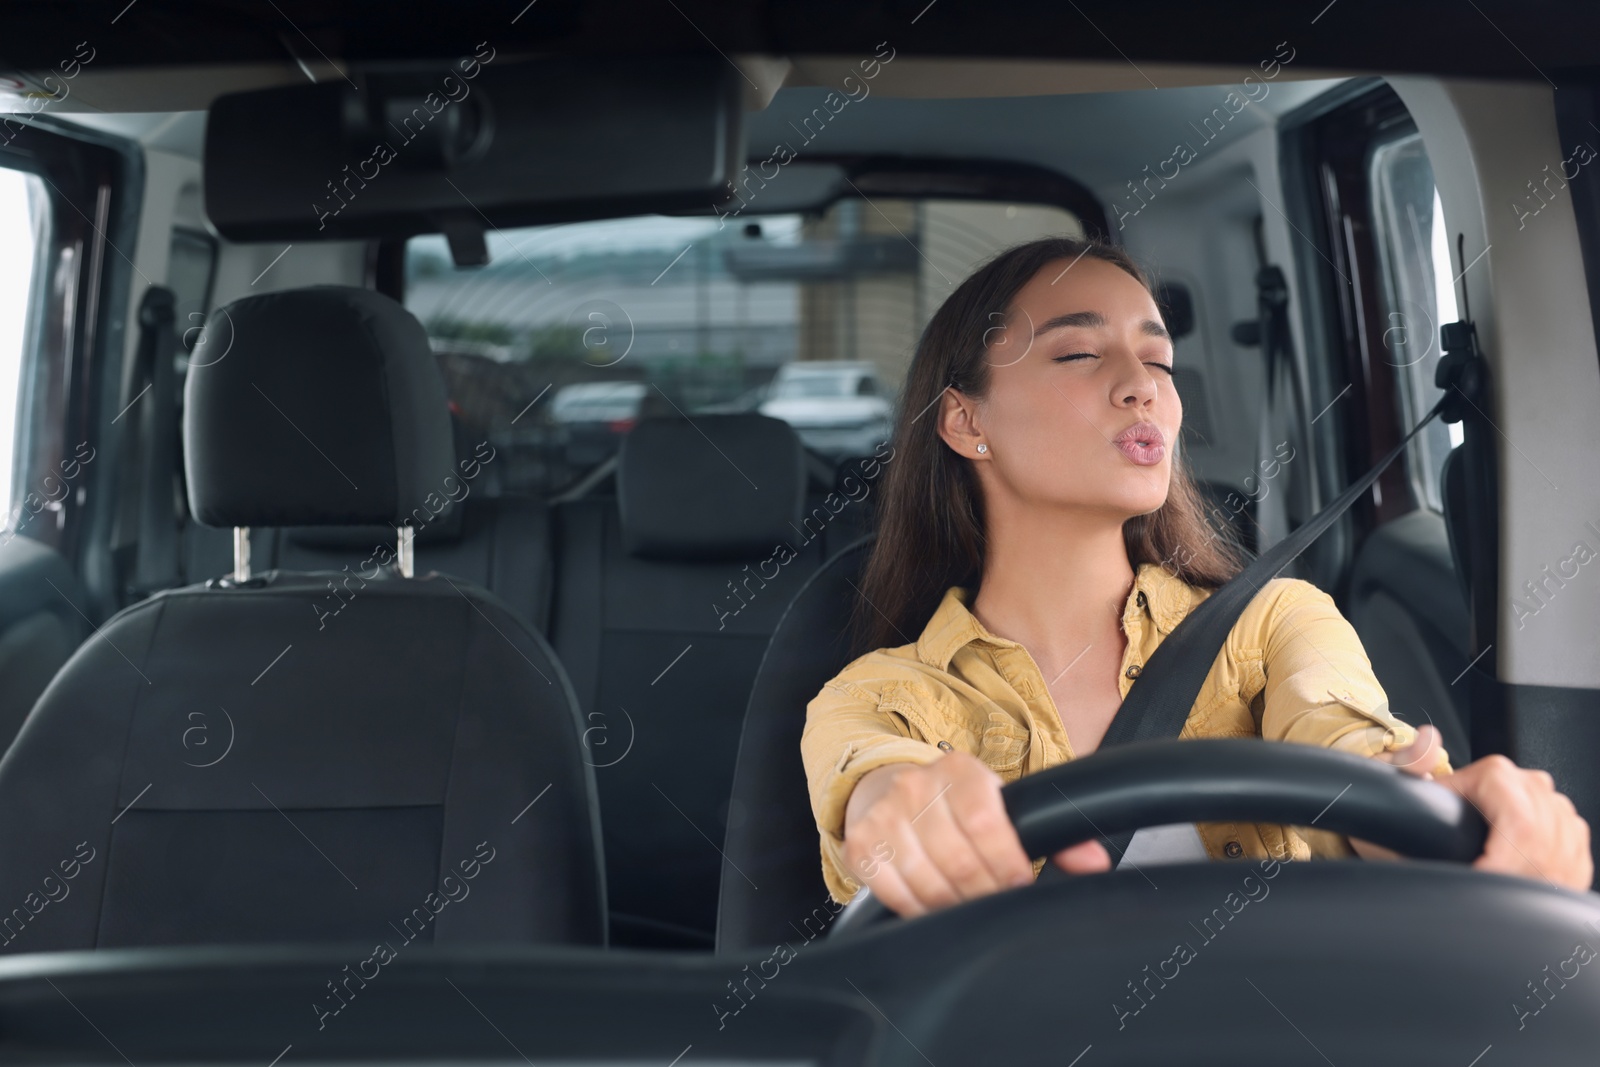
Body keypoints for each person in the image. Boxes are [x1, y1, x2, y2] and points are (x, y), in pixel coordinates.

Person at [799, 235, 1591, 918]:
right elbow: (871, 786)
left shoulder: (1275, 622)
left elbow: (1350, 747)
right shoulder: (875, 695)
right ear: (966, 421)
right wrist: (901, 816)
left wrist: (1459, 813)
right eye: (1079, 352)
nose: (1143, 384)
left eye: (1160, 360)